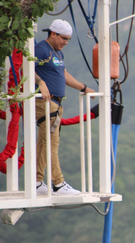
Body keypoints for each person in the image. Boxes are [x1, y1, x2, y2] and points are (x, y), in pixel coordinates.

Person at [34, 19, 95, 195]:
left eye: (68, 39)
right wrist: (41, 83)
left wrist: (83, 88)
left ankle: (37, 182)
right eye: (63, 38)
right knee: (52, 143)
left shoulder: (57, 53)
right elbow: (27, 67)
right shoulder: (42, 49)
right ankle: (58, 183)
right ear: (53, 34)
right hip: (46, 102)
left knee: (44, 143)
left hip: (56, 103)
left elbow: (64, 74)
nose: (65, 42)